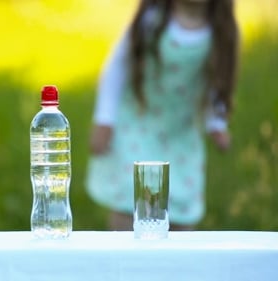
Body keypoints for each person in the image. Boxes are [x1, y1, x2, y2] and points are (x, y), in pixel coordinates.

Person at [86, 0, 239, 231]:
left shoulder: (219, 30)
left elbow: (215, 81)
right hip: (138, 124)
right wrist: (105, 120)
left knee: (181, 209)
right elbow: (118, 66)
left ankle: (175, 265)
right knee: (131, 201)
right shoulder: (152, 19)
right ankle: (125, 263)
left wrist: (216, 122)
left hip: (180, 132)